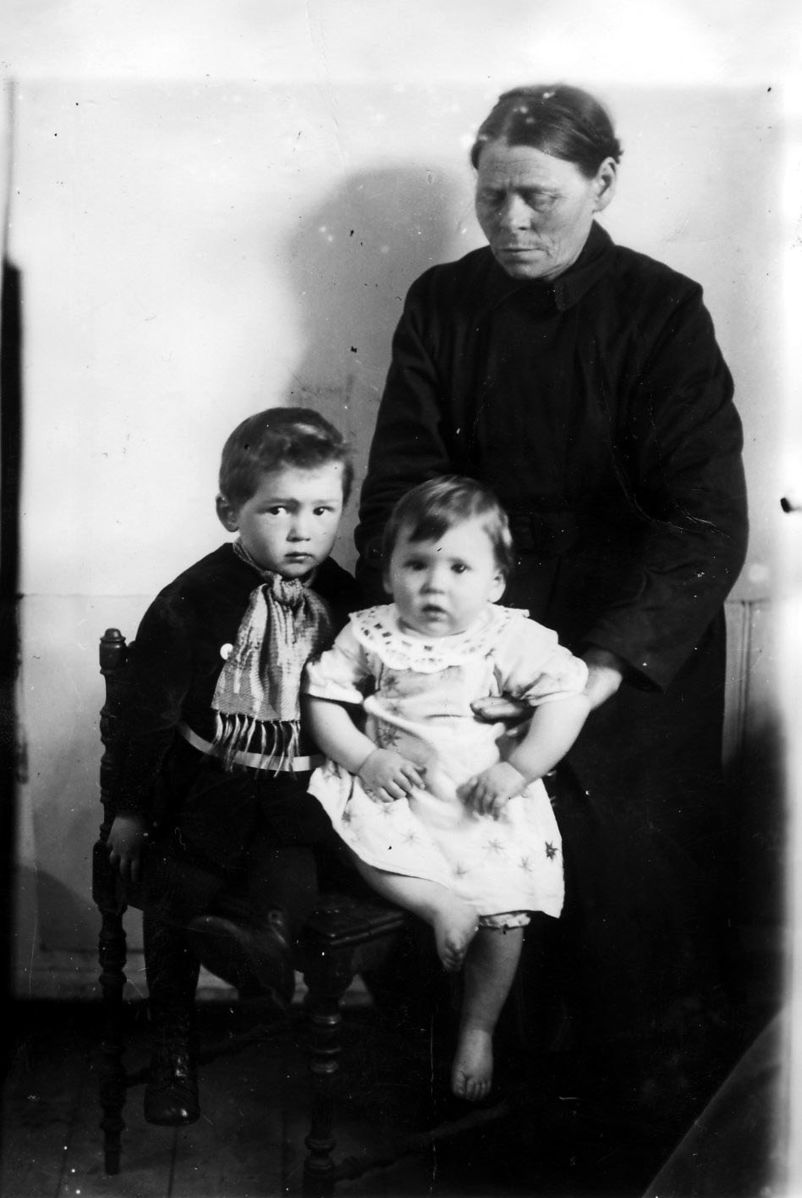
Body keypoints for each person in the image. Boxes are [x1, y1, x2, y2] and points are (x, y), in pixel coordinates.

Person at [354, 85, 749, 1119]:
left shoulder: (663, 310)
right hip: (468, 630)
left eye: (540, 197)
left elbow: (705, 521)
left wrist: (593, 676)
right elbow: (397, 492)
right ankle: (469, 1096)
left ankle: (621, 1122)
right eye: (493, 196)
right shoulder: (443, 303)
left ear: (603, 182)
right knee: (455, 837)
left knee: (621, 870)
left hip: (628, 648)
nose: (513, 222)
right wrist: (440, 639)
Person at [105, 407, 360, 1126]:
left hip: (299, 792)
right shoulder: (193, 598)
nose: (303, 530)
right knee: (176, 888)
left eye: (322, 510)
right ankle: (174, 1046)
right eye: (279, 509)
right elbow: (145, 718)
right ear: (230, 513)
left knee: (291, 872)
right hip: (208, 784)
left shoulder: (349, 603)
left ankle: (263, 950)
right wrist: (130, 810)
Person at [303, 476, 590, 1102]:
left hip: (477, 799)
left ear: (495, 582)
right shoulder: (371, 632)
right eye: (416, 565)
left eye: (459, 568)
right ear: (388, 574)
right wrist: (365, 757)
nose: (435, 585)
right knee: (358, 834)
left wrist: (519, 769)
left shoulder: (505, 636)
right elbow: (323, 699)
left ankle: (478, 1028)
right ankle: (437, 904)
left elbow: (567, 699)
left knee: (507, 907)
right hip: (398, 790)